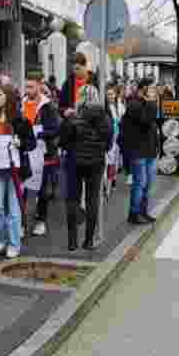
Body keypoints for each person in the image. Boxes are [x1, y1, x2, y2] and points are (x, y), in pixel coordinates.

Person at [0, 83, 35, 258]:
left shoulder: (21, 120)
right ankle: (2, 238)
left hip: (14, 170)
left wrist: (21, 143)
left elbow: (31, 143)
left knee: (13, 208)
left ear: (8, 97)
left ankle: (14, 243)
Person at [60, 83, 111, 252]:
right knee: (92, 200)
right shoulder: (105, 118)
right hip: (96, 163)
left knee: (72, 200)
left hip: (74, 161)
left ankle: (72, 241)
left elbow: (64, 142)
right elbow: (109, 144)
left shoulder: (72, 118)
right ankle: (89, 241)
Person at [22, 73, 61, 237]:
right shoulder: (21, 103)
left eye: (31, 86)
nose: (27, 90)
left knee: (42, 189)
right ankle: (22, 223)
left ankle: (41, 220)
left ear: (39, 86)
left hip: (43, 152)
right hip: (25, 151)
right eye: (26, 86)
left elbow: (54, 129)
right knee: (23, 188)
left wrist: (38, 134)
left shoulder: (48, 106)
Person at [124, 77, 160, 225]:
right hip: (138, 150)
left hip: (149, 150)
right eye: (151, 88)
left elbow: (153, 124)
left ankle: (144, 211)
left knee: (148, 183)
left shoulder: (147, 103)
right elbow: (146, 120)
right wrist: (151, 101)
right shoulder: (133, 104)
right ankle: (134, 213)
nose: (154, 91)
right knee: (140, 182)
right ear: (143, 89)